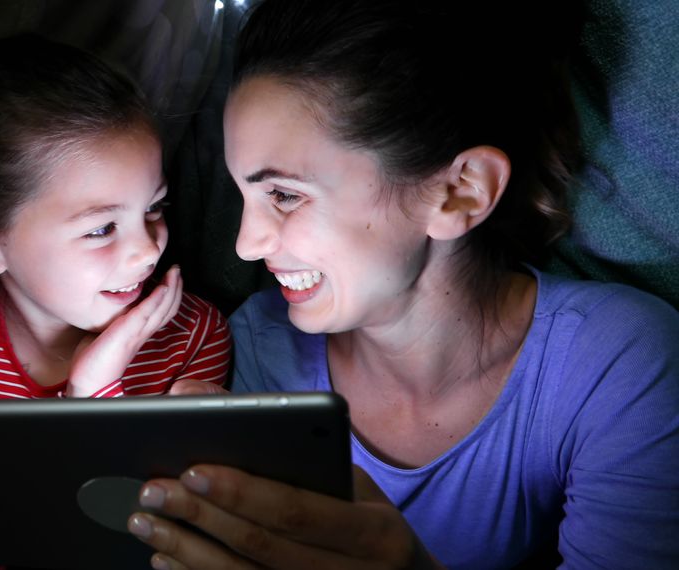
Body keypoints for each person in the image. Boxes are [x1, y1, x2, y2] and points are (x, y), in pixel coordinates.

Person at [127, 0, 679, 568]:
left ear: (462, 190)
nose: (246, 245)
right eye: (244, 195)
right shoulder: (259, 353)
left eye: (285, 195)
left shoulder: (616, 365)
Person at [0, 33, 232, 569]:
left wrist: (95, 391)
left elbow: (150, 540)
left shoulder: (194, 336)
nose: (147, 249)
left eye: (155, 208)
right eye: (101, 229)